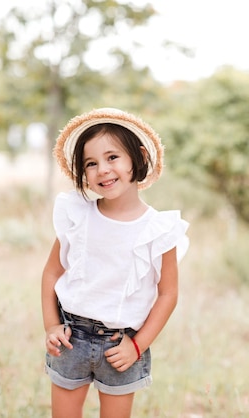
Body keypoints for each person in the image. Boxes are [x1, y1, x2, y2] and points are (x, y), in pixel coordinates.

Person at [42, 108, 189, 418]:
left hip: (122, 344)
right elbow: (52, 272)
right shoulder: (78, 216)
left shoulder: (158, 230)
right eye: (91, 164)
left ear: (137, 158)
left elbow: (168, 294)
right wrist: (52, 325)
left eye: (112, 158)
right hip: (72, 338)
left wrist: (137, 346)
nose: (102, 170)